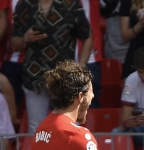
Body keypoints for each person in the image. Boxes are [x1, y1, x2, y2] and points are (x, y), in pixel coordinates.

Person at [11, 0, 92, 133]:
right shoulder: (24, 4)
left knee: (68, 129)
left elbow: (87, 37)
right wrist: (26, 39)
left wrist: (80, 69)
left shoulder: (71, 4)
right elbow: (14, 44)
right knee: (36, 131)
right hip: (34, 78)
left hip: (65, 79)